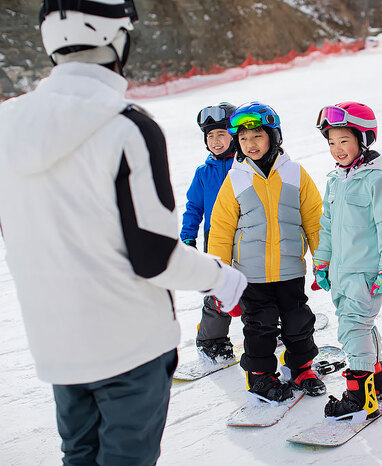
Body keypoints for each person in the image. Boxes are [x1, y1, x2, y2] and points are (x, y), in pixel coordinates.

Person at [0, 1, 247, 465]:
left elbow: (22, 236)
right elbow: (155, 255)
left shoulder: (7, 127)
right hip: (129, 344)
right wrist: (220, 276)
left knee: (80, 455)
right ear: (115, 38)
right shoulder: (127, 126)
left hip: (57, 343)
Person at [207, 101, 326, 403]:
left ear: (274, 136)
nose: (250, 144)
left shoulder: (296, 174)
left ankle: (301, 368)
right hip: (251, 274)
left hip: (290, 270)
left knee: (298, 322)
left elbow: (314, 220)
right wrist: (219, 277)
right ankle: (260, 376)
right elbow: (221, 230)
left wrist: (323, 260)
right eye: (243, 139)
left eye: (257, 136)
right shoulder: (235, 179)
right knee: (259, 327)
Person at [313, 102, 382, 422]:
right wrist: (321, 262)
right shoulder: (335, 180)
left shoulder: (375, 180)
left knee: (353, 328)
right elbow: (327, 226)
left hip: (365, 270)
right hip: (341, 270)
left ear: (363, 140)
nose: (337, 149)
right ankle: (375, 376)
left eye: (344, 141)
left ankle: (358, 395)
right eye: (332, 142)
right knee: (361, 325)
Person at [180, 102, 242, 363]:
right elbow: (194, 207)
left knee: (262, 287)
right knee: (220, 290)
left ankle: (269, 330)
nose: (215, 141)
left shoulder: (245, 167)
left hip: (249, 237)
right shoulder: (204, 173)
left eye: (221, 134)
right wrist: (188, 236)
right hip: (216, 241)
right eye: (210, 135)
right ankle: (211, 340)